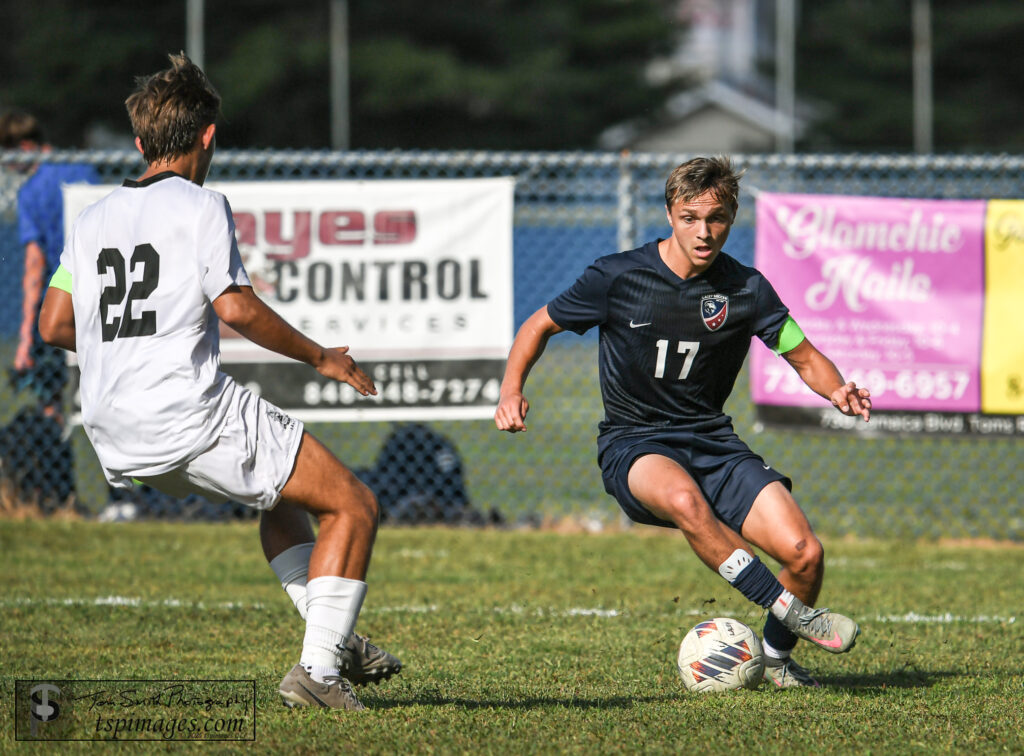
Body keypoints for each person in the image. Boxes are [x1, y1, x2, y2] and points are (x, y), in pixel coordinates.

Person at [37, 53, 400, 710]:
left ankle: (333, 638)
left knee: (279, 500)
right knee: (354, 504)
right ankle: (318, 674)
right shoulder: (202, 205)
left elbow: (55, 323)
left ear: (141, 142)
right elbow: (234, 306)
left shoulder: (90, 222)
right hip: (188, 417)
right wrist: (322, 357)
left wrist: (123, 354)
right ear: (208, 136)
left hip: (116, 432)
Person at [495, 156, 871, 689]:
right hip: (635, 444)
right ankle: (789, 609)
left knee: (806, 554)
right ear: (670, 214)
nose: (704, 231)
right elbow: (538, 326)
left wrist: (836, 388)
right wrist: (512, 390)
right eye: (690, 216)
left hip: (713, 443)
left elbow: (802, 353)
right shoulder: (617, 276)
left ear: (732, 217)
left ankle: (777, 663)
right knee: (684, 501)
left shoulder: (746, 289)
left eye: (716, 218)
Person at [1, 111, 99, 506]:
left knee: (50, 405)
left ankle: (59, 494)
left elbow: (34, 266)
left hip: (57, 307)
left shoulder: (32, 191)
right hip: (99, 298)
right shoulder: (83, 170)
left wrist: (26, 338)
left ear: (24, 148)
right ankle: (127, 496)